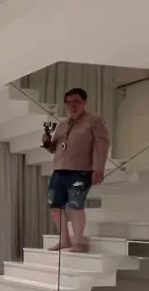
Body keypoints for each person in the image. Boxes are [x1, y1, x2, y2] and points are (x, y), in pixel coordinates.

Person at [41, 88, 111, 252]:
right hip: (59, 170)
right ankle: (64, 239)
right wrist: (47, 143)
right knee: (55, 206)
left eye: (76, 101)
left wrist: (98, 169)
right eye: (69, 102)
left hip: (81, 170)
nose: (72, 105)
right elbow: (54, 148)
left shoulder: (95, 121)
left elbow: (102, 145)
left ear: (84, 101)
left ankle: (78, 241)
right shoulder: (62, 125)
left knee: (75, 206)